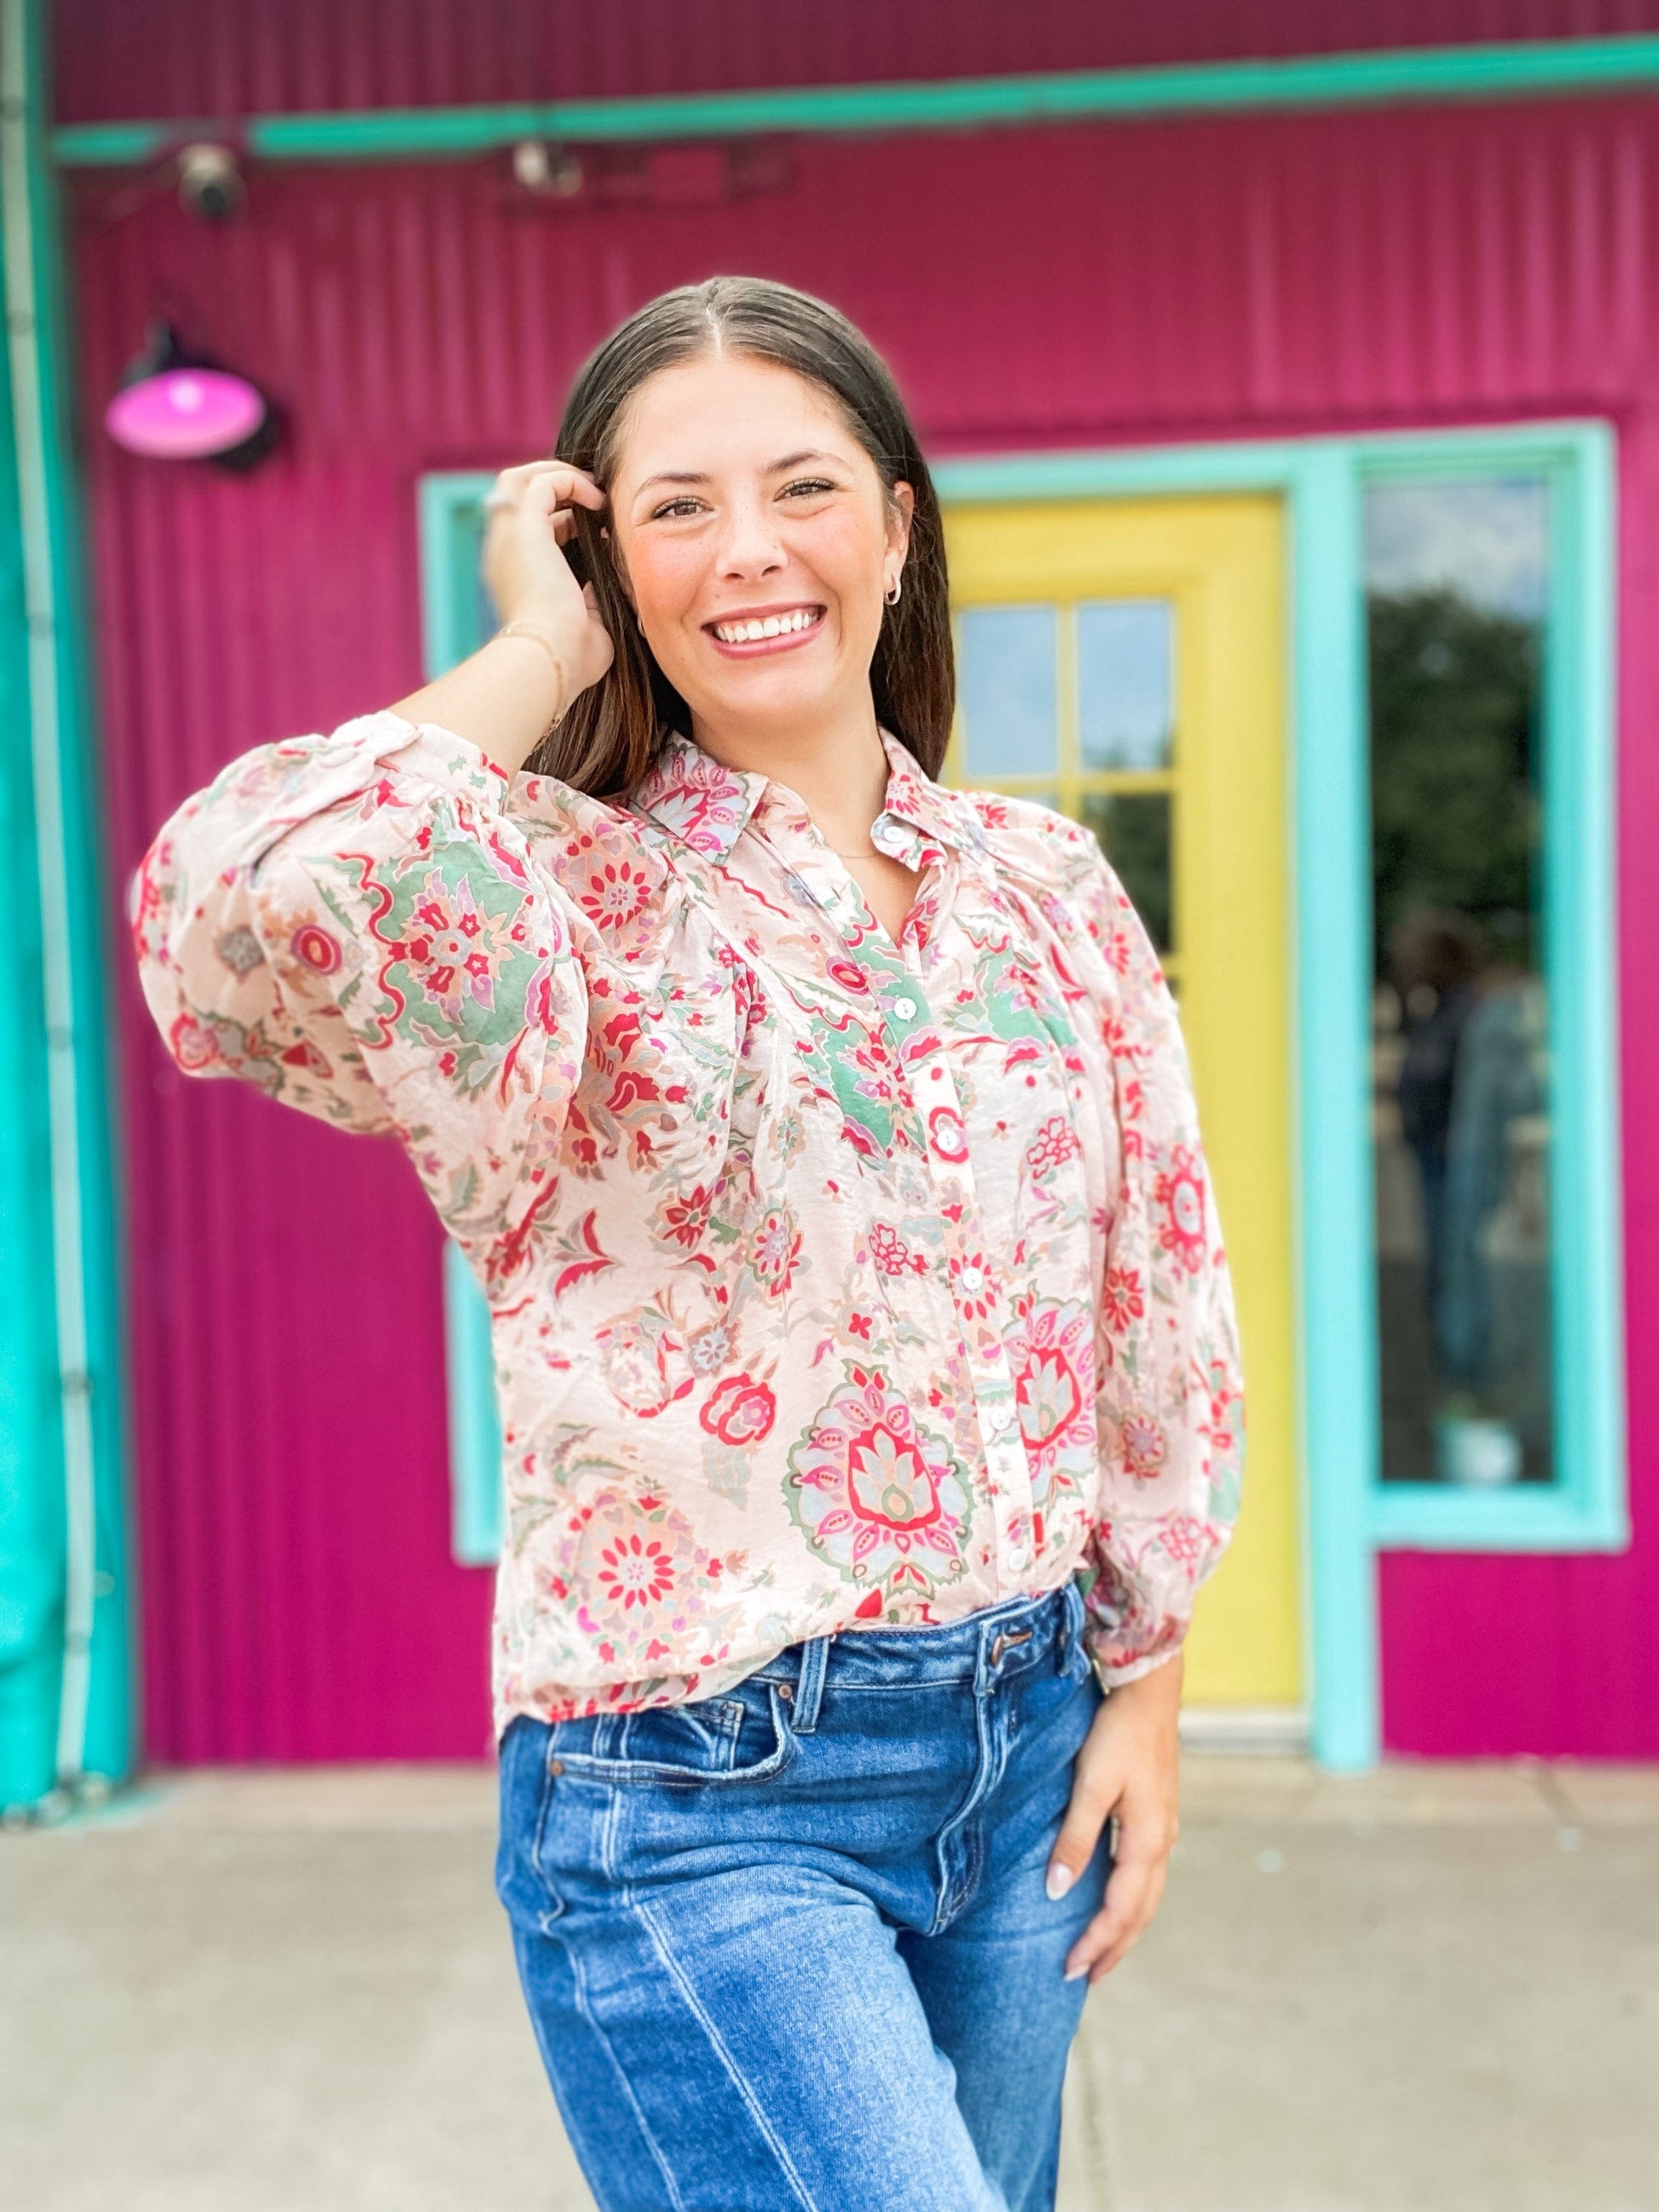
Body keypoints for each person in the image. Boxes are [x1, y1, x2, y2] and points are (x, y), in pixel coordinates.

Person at [131, 275, 1244, 2212]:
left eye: (804, 486)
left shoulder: (1048, 888)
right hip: (699, 1798)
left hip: (1026, 1751)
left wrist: (1143, 1676)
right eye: (670, 508)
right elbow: (227, 915)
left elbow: (1156, 1285)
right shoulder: (546, 895)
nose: (749, 550)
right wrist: (530, 645)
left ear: (898, 526)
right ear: (605, 556)